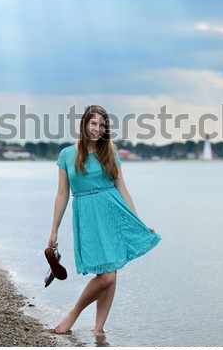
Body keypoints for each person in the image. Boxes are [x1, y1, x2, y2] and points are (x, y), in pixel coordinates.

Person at [48, 105, 161, 335]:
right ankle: (75, 315)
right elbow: (62, 194)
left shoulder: (110, 151)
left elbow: (123, 190)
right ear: (84, 124)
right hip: (87, 215)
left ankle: (98, 330)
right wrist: (54, 230)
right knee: (107, 274)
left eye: (102, 125)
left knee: (111, 271)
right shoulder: (67, 155)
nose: (97, 129)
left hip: (112, 213)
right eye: (93, 123)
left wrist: (137, 223)